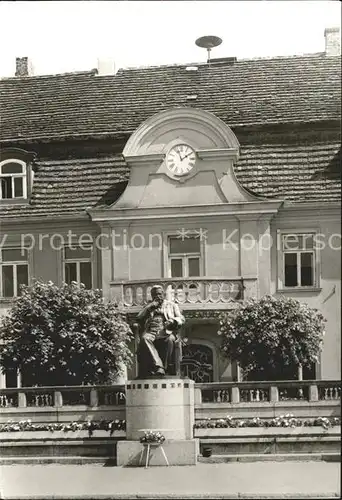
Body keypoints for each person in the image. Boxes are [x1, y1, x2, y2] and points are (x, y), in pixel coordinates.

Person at [135, 285, 185, 378]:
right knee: (145, 339)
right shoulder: (148, 306)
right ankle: (159, 366)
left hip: (165, 331)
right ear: (152, 296)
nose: (157, 296)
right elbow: (138, 318)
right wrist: (149, 307)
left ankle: (164, 369)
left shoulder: (172, 305)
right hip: (151, 331)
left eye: (159, 294)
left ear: (163, 294)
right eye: (154, 294)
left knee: (170, 340)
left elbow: (181, 318)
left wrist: (173, 320)